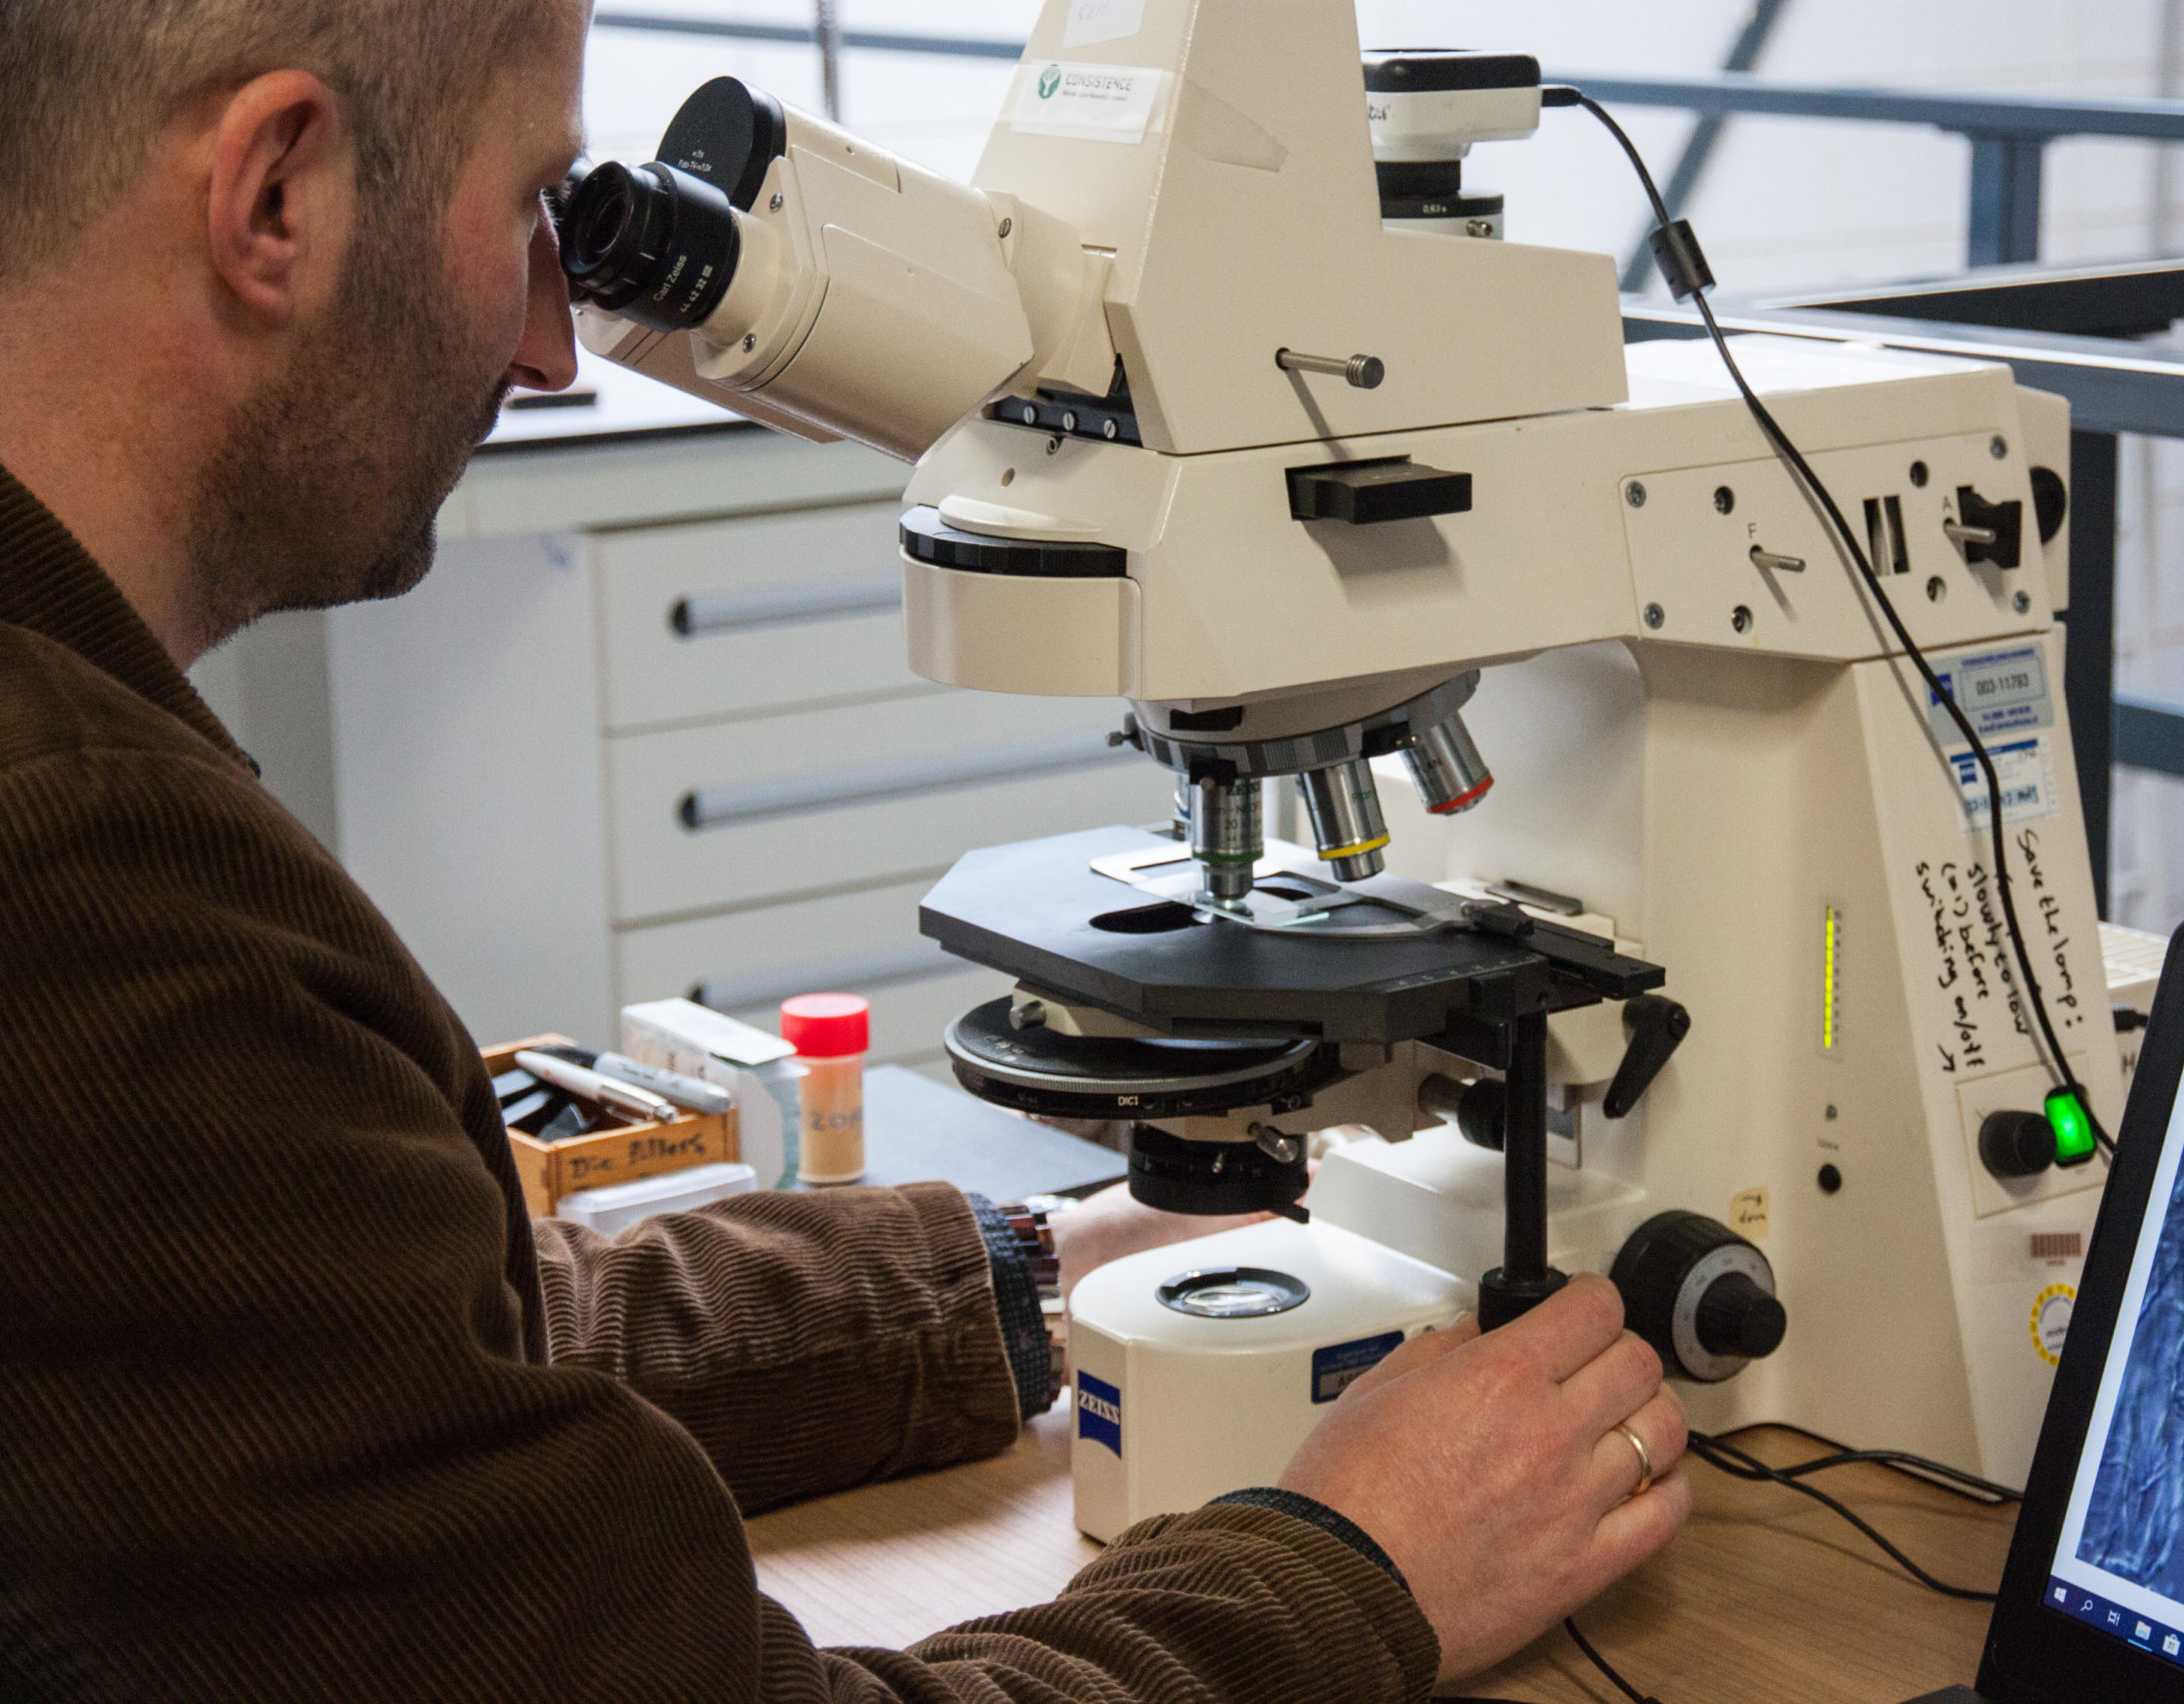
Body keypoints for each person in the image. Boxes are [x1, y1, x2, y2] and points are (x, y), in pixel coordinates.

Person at [0, 2, 1693, 1699]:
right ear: (274, 195)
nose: (550, 347)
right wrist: (1361, 1569)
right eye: (528, 208)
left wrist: (1013, 1272)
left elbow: (375, 1370)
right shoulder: (97, 893)